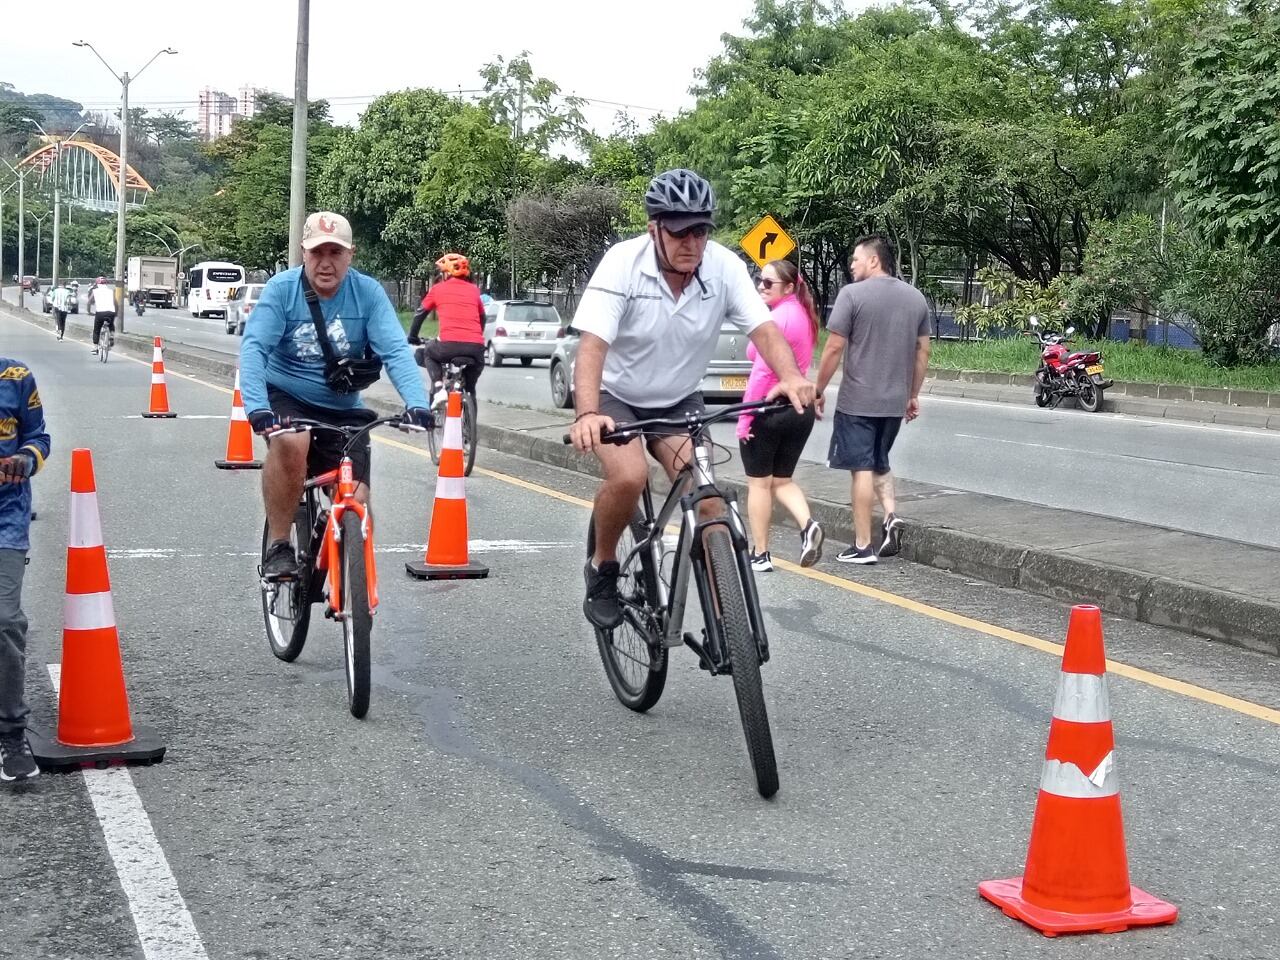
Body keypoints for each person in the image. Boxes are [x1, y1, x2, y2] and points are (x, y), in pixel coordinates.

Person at [569, 168, 816, 628]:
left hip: (678, 399)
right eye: (680, 232)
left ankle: (729, 630)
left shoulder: (723, 267)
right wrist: (586, 413)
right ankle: (602, 566)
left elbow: (764, 329)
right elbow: (593, 346)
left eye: (700, 231)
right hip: (615, 395)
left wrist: (791, 376)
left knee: (709, 504)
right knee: (629, 476)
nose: (692, 243)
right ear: (654, 230)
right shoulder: (623, 263)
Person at [239, 211, 433, 582]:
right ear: (303, 252)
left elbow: (395, 351)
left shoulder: (368, 293)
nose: (326, 262)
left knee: (357, 499)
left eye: (335, 252)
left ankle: (353, 591)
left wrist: (417, 404)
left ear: (350, 255)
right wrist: (258, 409)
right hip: (286, 397)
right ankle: (279, 545)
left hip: (343, 408)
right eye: (317, 252)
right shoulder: (282, 290)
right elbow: (254, 350)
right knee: (292, 441)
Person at [814, 234, 931, 564]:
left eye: (856, 259)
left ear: (874, 260)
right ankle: (890, 516)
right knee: (879, 461)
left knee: (861, 468)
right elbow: (923, 351)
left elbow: (834, 348)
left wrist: (817, 389)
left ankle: (863, 545)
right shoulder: (915, 298)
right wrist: (912, 394)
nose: (852, 265)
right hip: (894, 403)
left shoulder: (852, 295)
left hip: (858, 401)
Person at [737, 259, 824, 572]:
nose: (761, 286)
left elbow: (762, 374)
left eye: (768, 283)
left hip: (770, 408)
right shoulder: (803, 315)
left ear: (788, 287)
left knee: (759, 485)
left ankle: (760, 554)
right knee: (783, 480)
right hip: (799, 410)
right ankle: (808, 525)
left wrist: (744, 419)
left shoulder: (775, 321)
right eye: (759, 280)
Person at [0, 357, 51, 782]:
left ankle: (11, 732)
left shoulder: (15, 377)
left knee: (4, 621)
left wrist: (25, 459)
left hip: (7, 520)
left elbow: (38, 438)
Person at [407, 253, 486, 401]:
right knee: (470, 385)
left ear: (446, 274)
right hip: (475, 348)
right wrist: (476, 338)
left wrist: (413, 336)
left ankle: (438, 387)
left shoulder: (438, 289)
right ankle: (468, 395)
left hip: (447, 345)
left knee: (428, 352)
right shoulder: (474, 290)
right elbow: (482, 317)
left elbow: (420, 314)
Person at [86, 277, 116, 355]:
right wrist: (115, 313)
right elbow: (115, 303)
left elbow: (89, 302)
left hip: (100, 313)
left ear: (97, 284)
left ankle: (95, 347)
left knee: (96, 329)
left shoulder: (95, 291)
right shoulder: (111, 291)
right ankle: (111, 335)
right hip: (110, 312)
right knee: (111, 324)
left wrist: (89, 311)